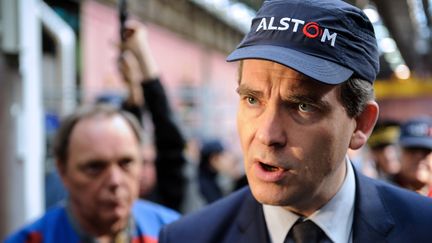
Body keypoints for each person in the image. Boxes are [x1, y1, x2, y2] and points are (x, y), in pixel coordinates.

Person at [159, 1, 432, 243]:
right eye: (252, 100)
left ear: (360, 124)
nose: (267, 135)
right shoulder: (188, 237)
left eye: (303, 106)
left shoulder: (424, 229)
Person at [5, 104, 180, 242]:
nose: (115, 180)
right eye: (95, 167)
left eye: (126, 163)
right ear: (63, 170)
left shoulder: (174, 234)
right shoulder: (32, 240)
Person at [119, 23, 187, 211]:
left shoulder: (170, 196)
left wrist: (142, 54)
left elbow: (168, 133)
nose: (141, 171)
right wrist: (132, 84)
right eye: (131, 161)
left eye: (147, 162)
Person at [393, 117, 432, 196]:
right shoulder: (382, 193)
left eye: (426, 150)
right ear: (399, 153)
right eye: (412, 149)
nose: (419, 156)